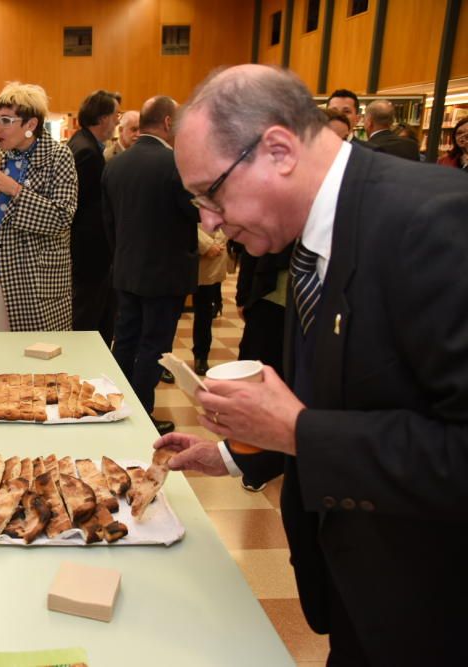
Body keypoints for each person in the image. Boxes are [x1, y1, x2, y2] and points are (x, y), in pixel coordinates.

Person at [165, 64, 468, 664]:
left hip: (430, 612)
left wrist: (298, 432)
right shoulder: (314, 236)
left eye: (212, 193)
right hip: (360, 598)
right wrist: (238, 450)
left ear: (277, 149)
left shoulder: (433, 224)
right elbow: (343, 398)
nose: (210, 220)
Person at [102, 95, 198, 435]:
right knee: (154, 347)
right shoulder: (176, 165)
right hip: (165, 274)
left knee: (125, 341)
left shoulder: (115, 165)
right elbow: (196, 213)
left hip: (126, 269)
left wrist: (122, 256)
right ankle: (142, 416)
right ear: (169, 123)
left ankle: (114, 406)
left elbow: (108, 224)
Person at [0, 82, 78, 332]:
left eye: (6, 120)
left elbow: (62, 218)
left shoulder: (58, 156)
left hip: (38, 280)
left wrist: (16, 190)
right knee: (0, 352)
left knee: (41, 359)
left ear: (31, 125)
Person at [68, 90, 119, 345]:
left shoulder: (83, 143)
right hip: (89, 256)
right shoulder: (87, 152)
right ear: (102, 118)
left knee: (98, 318)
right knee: (87, 322)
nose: (117, 121)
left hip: (90, 256)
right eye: (115, 115)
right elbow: (76, 208)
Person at [192, 226, 227, 376]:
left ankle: (201, 355)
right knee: (169, 314)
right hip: (185, 252)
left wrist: (216, 245)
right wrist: (206, 245)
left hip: (212, 260)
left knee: (204, 312)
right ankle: (163, 359)